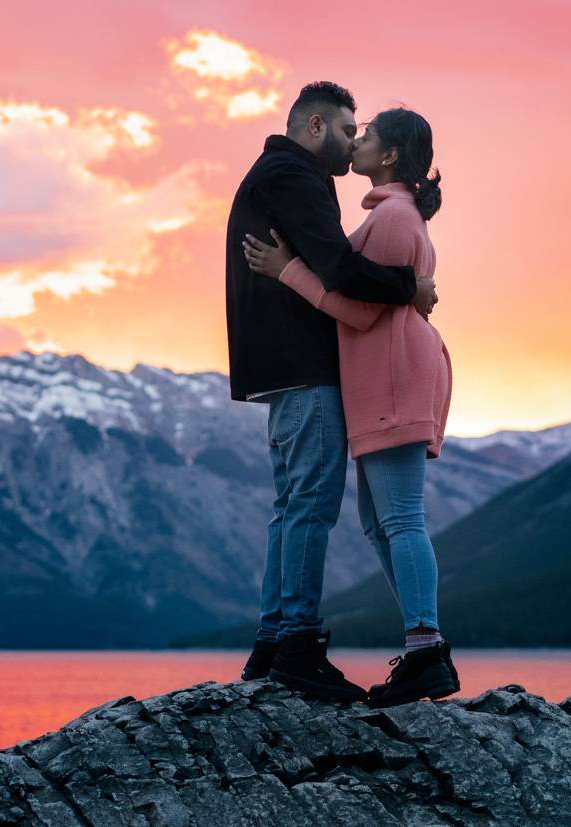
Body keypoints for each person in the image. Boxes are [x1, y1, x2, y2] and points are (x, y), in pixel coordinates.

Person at [225, 82, 438, 703]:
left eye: (363, 134)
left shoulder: (288, 177)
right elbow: (341, 271)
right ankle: (296, 645)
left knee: (295, 505)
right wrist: (410, 287)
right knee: (312, 507)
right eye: (349, 130)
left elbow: (331, 270)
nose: (353, 144)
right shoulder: (292, 176)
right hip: (305, 364)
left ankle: (274, 641)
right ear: (316, 127)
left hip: (289, 367)